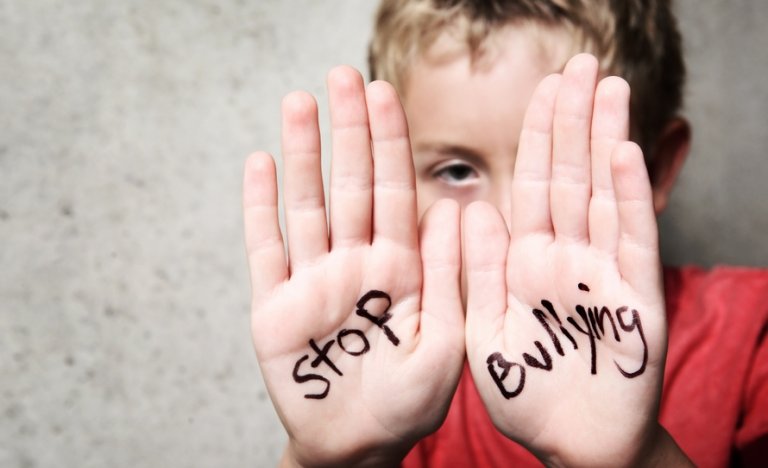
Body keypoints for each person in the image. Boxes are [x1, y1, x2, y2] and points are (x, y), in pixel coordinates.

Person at [242, 0, 768, 466]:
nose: (506, 224)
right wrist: (336, 462)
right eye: (455, 171)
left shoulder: (751, 338)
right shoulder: (389, 376)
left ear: (659, 166)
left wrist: (637, 459)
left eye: (567, 164)